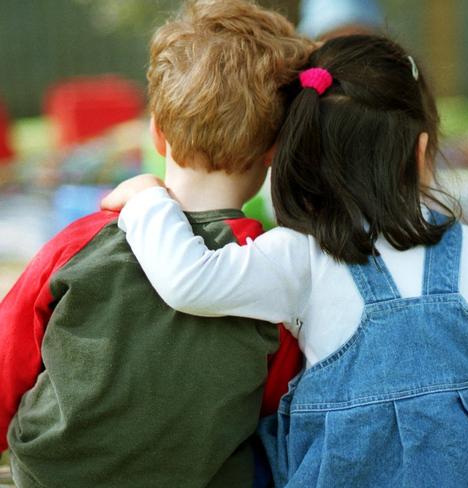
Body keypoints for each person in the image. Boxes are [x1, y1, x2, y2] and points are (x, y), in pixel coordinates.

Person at [103, 35, 468, 486]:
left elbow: (189, 281)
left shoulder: (302, 256)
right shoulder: (467, 244)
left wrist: (149, 200)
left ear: (300, 151)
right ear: (420, 149)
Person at [0, 1, 311, 486]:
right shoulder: (269, 268)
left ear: (158, 135)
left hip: (52, 476)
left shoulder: (80, 242)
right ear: (274, 152)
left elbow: (8, 355)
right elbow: (277, 402)